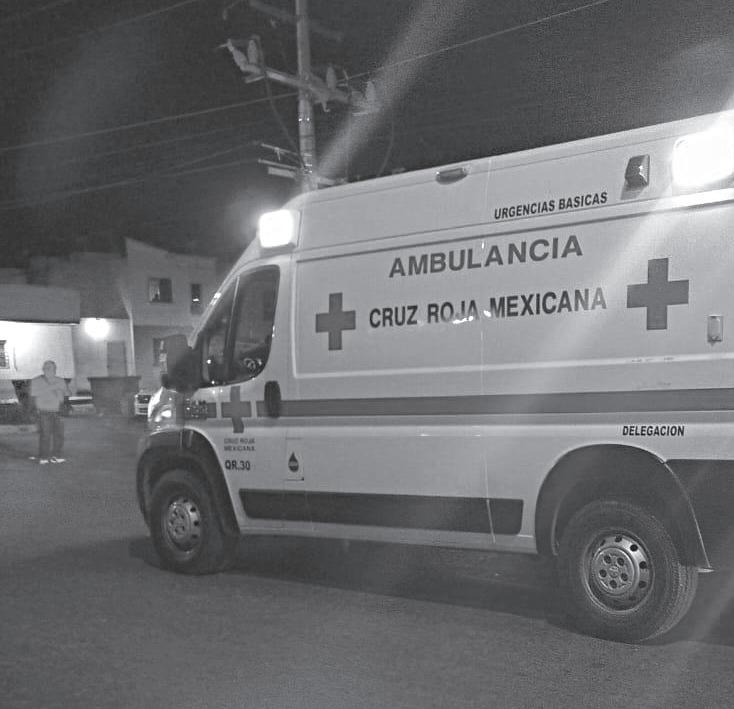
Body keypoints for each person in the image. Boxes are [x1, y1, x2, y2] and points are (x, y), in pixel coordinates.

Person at [30, 360, 71, 465]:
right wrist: (52, 387)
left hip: (58, 411)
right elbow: (34, 393)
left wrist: (65, 392)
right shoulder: (36, 380)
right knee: (45, 434)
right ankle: (43, 457)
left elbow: (67, 393)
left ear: (55, 369)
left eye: (52, 368)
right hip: (44, 411)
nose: (49, 370)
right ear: (43, 369)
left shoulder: (60, 380)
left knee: (59, 435)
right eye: (47, 368)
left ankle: (56, 456)